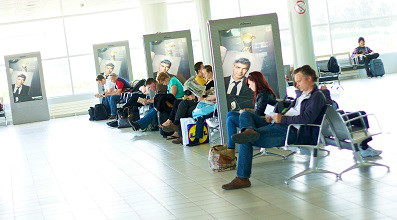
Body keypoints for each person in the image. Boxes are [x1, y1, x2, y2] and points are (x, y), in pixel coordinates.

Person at [222, 65, 326, 190]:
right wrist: (275, 116)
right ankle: (248, 130)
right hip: (281, 125)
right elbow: (292, 111)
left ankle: (242, 178)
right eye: (296, 82)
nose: (296, 85)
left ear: (309, 79)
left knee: (245, 138)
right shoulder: (303, 95)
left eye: (299, 81)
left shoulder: (317, 96)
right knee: (245, 116)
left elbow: (307, 119)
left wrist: (283, 118)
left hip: (290, 131)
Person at [222, 71, 277, 157]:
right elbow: (260, 110)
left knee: (231, 119)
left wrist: (247, 112)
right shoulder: (265, 92)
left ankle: (231, 149)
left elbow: (259, 113)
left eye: (250, 84)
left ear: (255, 82)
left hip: (263, 121)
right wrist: (249, 110)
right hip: (262, 118)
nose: (249, 87)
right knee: (230, 114)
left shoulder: (263, 94)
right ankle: (230, 147)